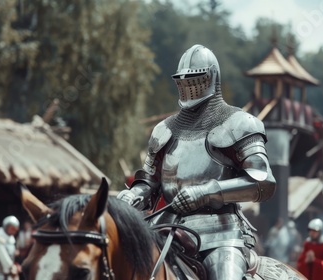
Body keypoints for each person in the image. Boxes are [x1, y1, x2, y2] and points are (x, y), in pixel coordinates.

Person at [117, 44, 276, 280]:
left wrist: (206, 192)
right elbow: (150, 182)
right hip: (164, 228)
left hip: (219, 233)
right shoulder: (164, 131)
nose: (189, 88)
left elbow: (263, 182)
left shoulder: (239, 123)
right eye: (183, 81)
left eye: (195, 80)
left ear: (211, 77)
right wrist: (133, 195)